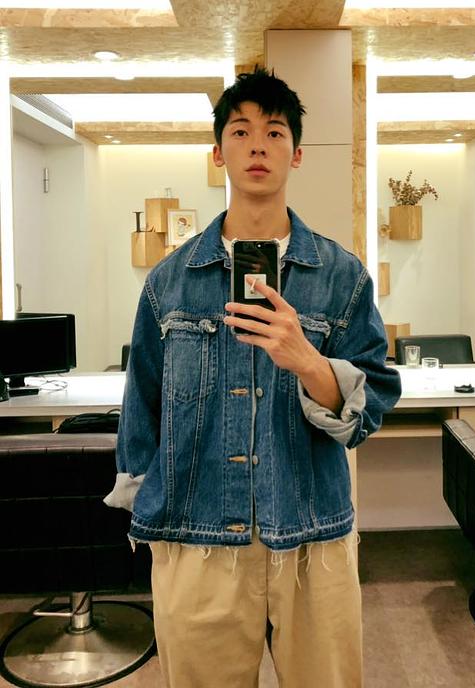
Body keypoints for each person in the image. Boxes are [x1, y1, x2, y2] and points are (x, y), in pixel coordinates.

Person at [105, 67, 401, 688]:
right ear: (219, 153)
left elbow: (371, 404)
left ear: (296, 153)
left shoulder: (341, 277)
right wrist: (147, 516)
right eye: (240, 131)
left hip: (313, 537)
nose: (257, 145)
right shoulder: (170, 281)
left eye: (274, 131)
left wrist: (308, 361)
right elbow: (142, 405)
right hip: (196, 535)